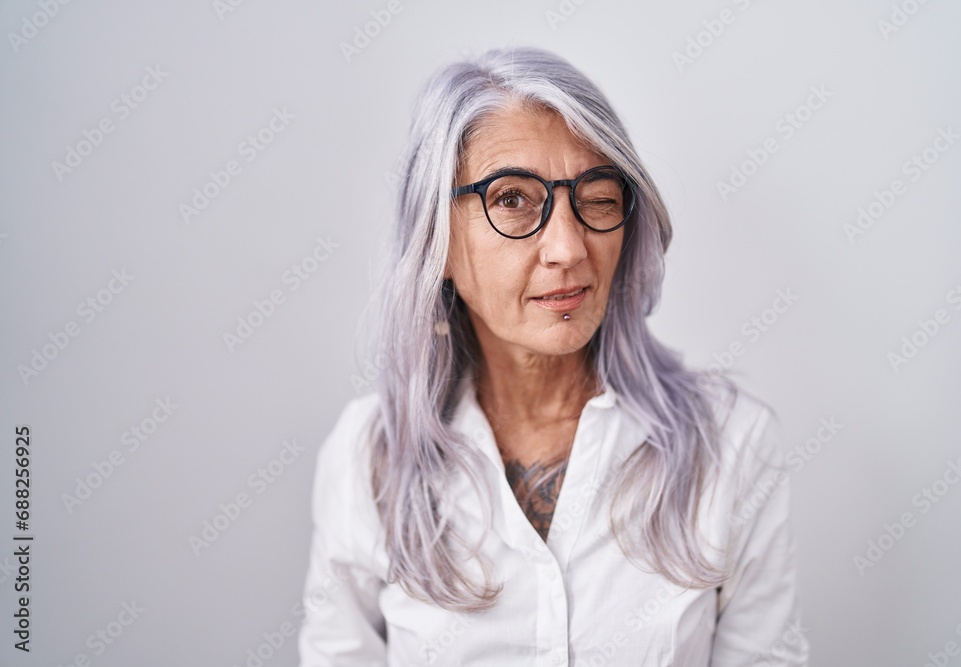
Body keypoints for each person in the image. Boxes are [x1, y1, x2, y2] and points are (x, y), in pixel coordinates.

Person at [297, 46, 808, 666]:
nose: (568, 247)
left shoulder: (730, 442)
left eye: (597, 196)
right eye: (512, 199)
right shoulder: (368, 459)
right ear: (438, 240)